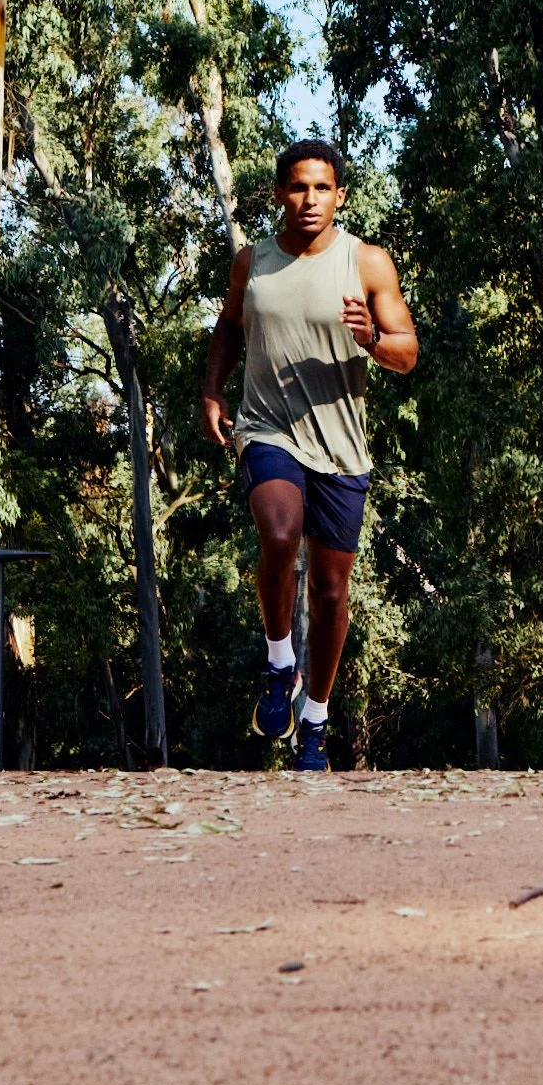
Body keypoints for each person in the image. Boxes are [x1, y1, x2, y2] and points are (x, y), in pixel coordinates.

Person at [201, 139, 418, 770]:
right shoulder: (254, 264)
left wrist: (370, 337)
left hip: (342, 445)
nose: (309, 199)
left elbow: (407, 352)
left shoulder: (368, 264)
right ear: (278, 195)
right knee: (278, 530)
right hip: (269, 427)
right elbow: (229, 327)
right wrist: (212, 392)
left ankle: (316, 724)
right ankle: (278, 665)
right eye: (297, 187)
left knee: (328, 591)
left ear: (340, 196)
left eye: (321, 188)